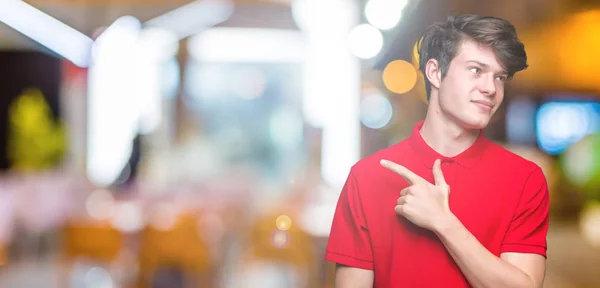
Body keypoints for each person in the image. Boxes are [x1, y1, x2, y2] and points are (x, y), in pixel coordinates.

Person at [325, 14, 549, 287]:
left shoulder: (524, 178)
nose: (491, 88)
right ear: (434, 72)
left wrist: (444, 222)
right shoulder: (367, 177)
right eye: (476, 70)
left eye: (500, 77)